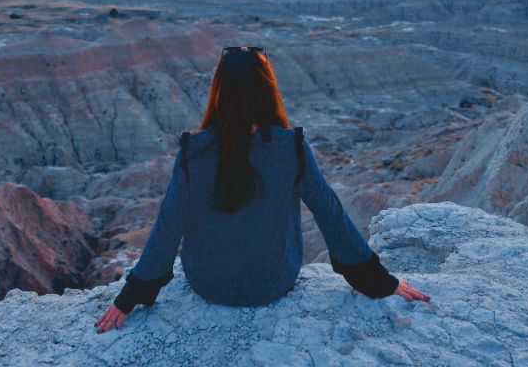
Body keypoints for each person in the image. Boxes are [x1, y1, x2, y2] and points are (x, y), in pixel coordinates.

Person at [94, 46, 429, 333]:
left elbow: (168, 225)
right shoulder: (292, 146)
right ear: (268, 89)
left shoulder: (194, 150)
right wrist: (378, 281)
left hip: (209, 283)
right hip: (274, 281)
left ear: (219, 91)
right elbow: (329, 212)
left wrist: (129, 299)